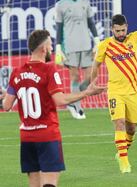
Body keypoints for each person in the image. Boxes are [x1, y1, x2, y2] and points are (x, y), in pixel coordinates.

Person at [1, 29, 106, 187]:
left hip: (27, 137)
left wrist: (6, 93)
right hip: (47, 135)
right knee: (49, 184)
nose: (51, 49)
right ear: (43, 49)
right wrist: (87, 92)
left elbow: (6, 105)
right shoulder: (48, 70)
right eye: (50, 45)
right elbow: (60, 99)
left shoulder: (16, 72)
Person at [91, 0, 137, 174]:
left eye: (123, 30)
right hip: (115, 91)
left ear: (126, 27)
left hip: (133, 90)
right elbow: (96, 65)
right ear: (112, 29)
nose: (121, 34)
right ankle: (124, 162)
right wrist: (92, 83)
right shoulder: (105, 45)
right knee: (119, 123)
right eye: (117, 31)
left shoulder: (134, 38)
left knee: (132, 127)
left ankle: (122, 151)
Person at [55, 0, 100, 119]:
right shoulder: (61, 5)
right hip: (70, 46)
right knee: (75, 77)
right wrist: (58, 48)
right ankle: (78, 108)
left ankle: (72, 100)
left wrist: (97, 40)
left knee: (91, 76)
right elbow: (59, 27)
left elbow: (91, 23)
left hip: (86, 45)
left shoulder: (85, 1)